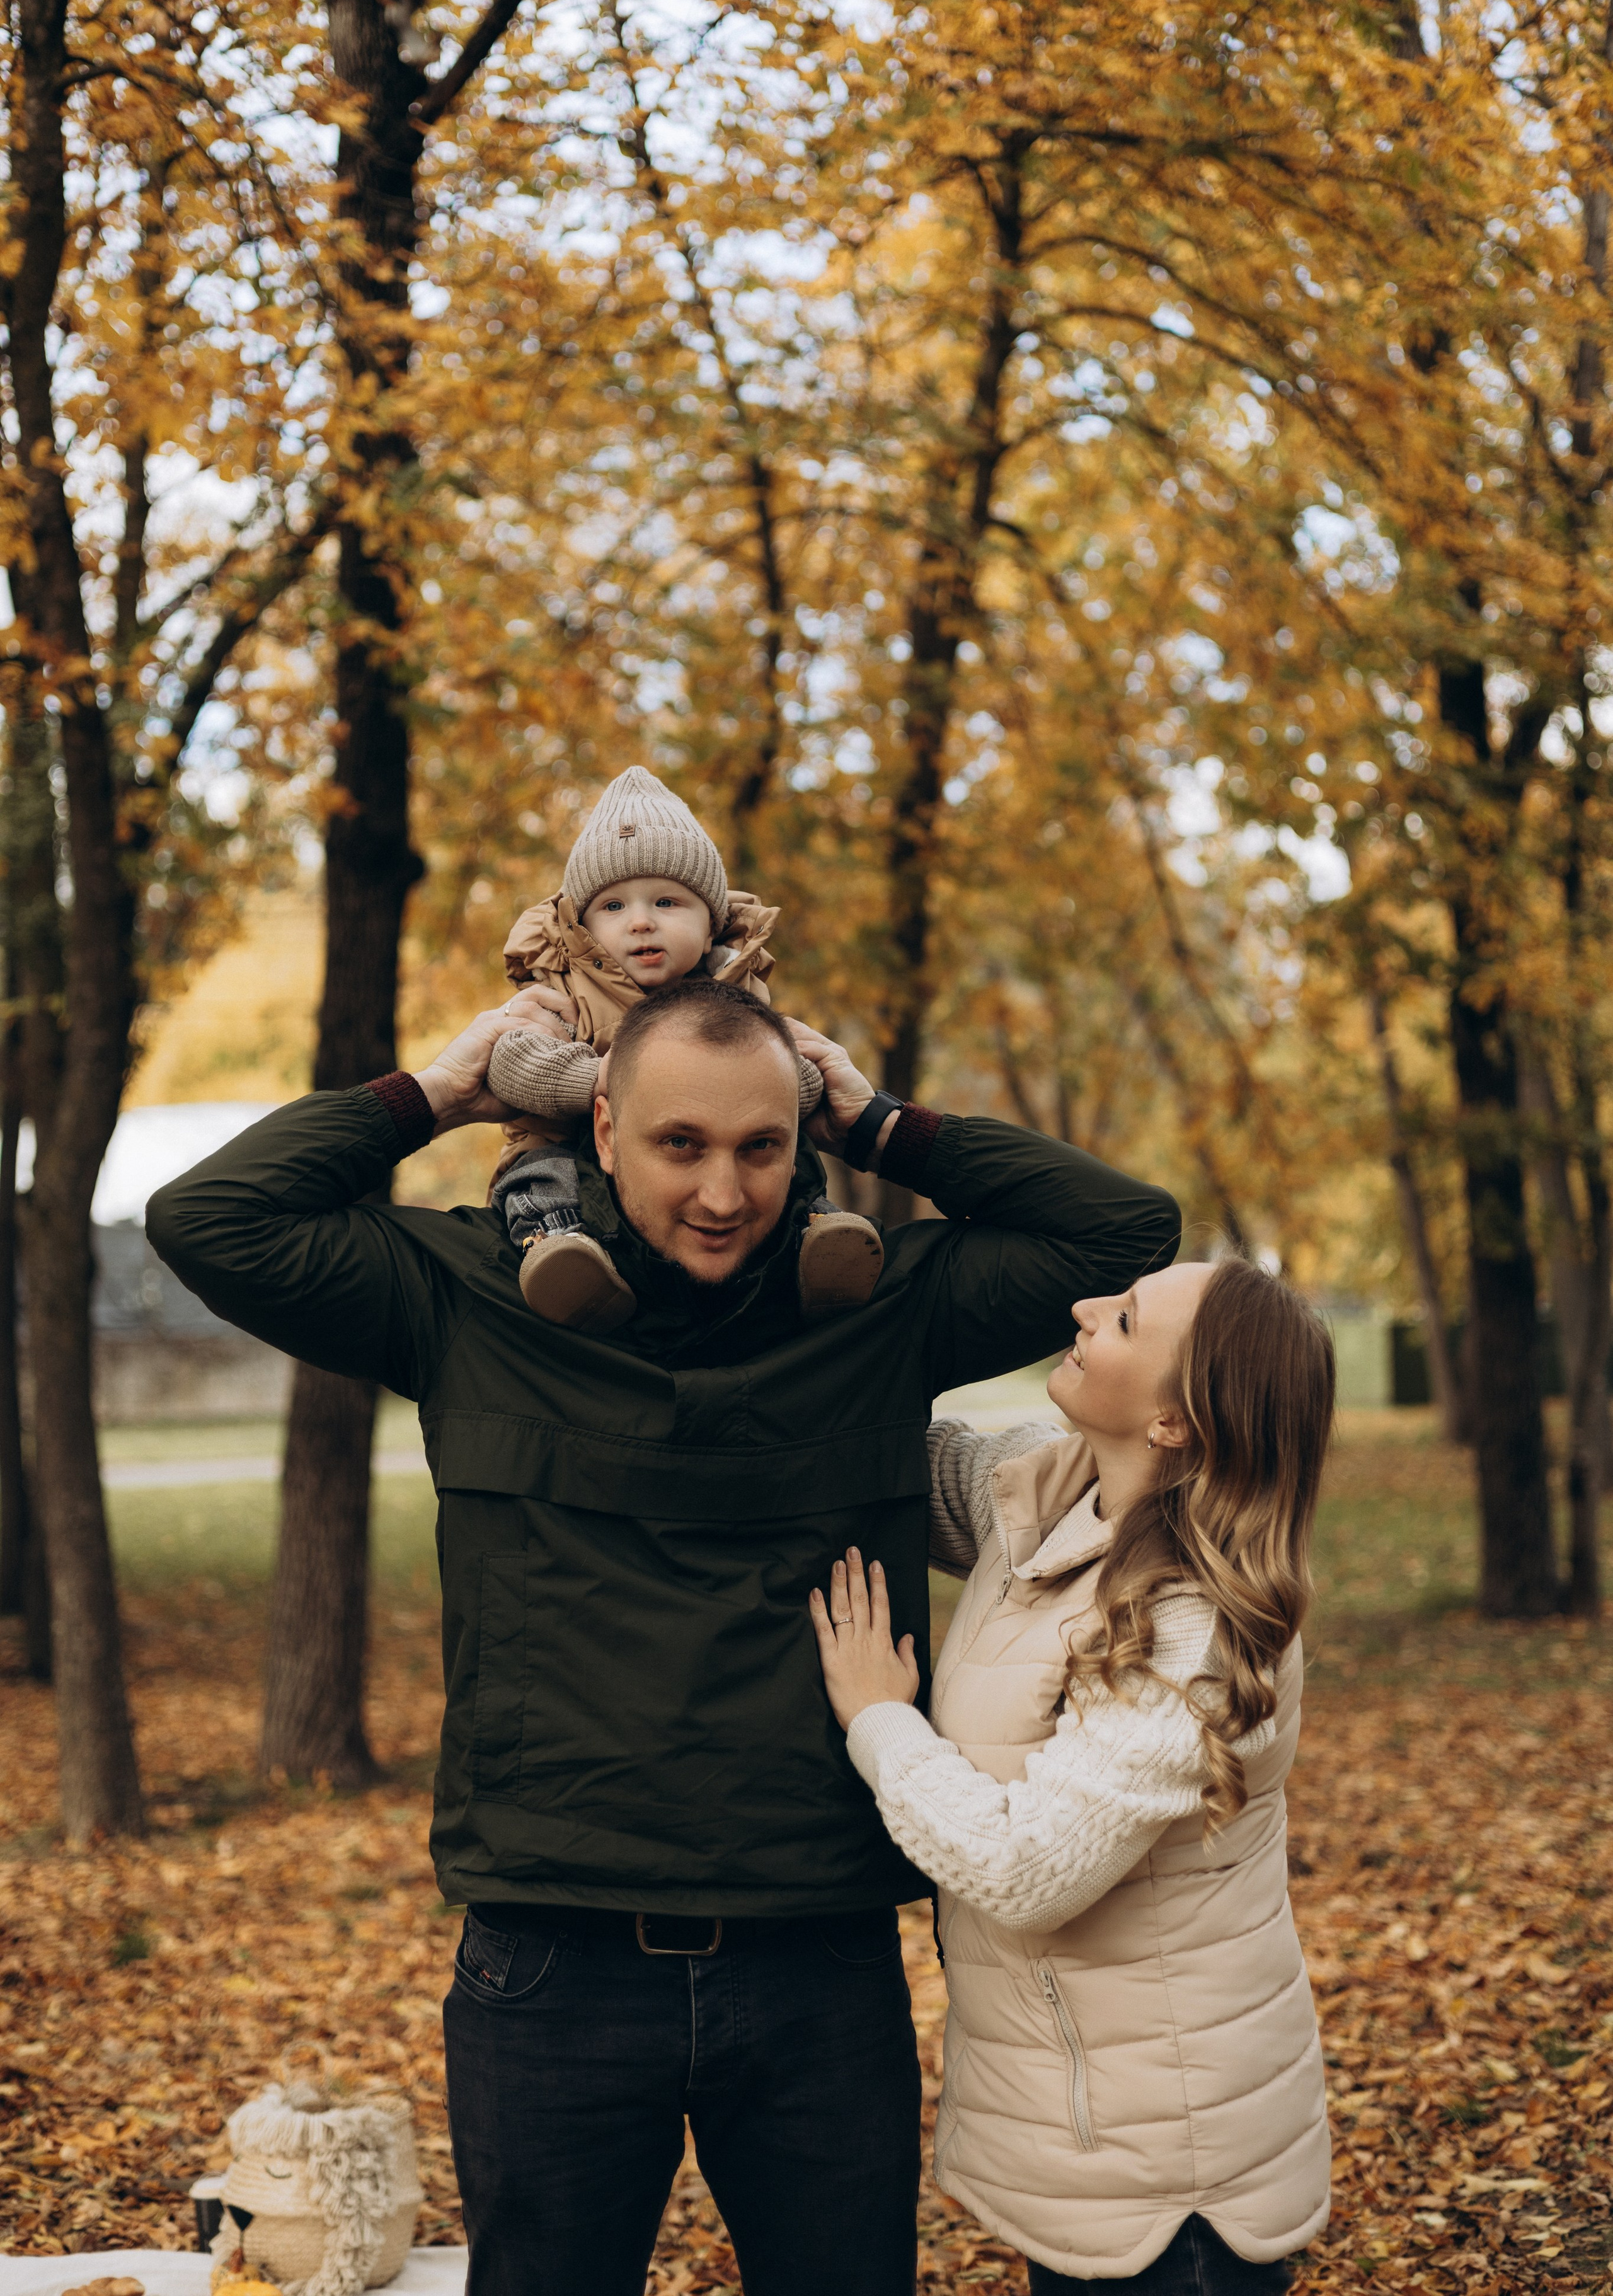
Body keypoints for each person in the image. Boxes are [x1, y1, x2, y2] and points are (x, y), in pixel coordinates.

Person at [146, 976, 1181, 2296]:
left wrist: (876, 1121)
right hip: (554, 1962)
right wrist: (442, 1091)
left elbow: (1123, 1229)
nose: (722, 1193)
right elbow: (209, 1220)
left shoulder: (876, 1309)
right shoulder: (470, 1296)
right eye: (677, 1145)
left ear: (799, 1145)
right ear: (599, 1135)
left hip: (814, 1952)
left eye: (761, 1147)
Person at [811, 1258, 1334, 2292]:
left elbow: (1028, 1870)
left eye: (1127, 1318)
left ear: (1176, 1422)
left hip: (1175, 2185)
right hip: (1097, 2144)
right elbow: (879, 1445)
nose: (1087, 1310)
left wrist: (877, 1716)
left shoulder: (1198, 1635)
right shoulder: (1052, 1496)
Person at [485, 763, 881, 1327]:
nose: (641, 923)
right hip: (567, 1143)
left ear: (712, 919)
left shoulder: (738, 989)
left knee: (789, 1161)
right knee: (540, 1177)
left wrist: (794, 1084)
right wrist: (601, 1078)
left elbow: (799, 1069)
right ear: (583, 927)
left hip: (705, 1161)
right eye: (614, 908)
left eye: (667, 904)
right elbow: (512, 1065)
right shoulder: (562, 989)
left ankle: (819, 1239)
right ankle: (564, 1259)